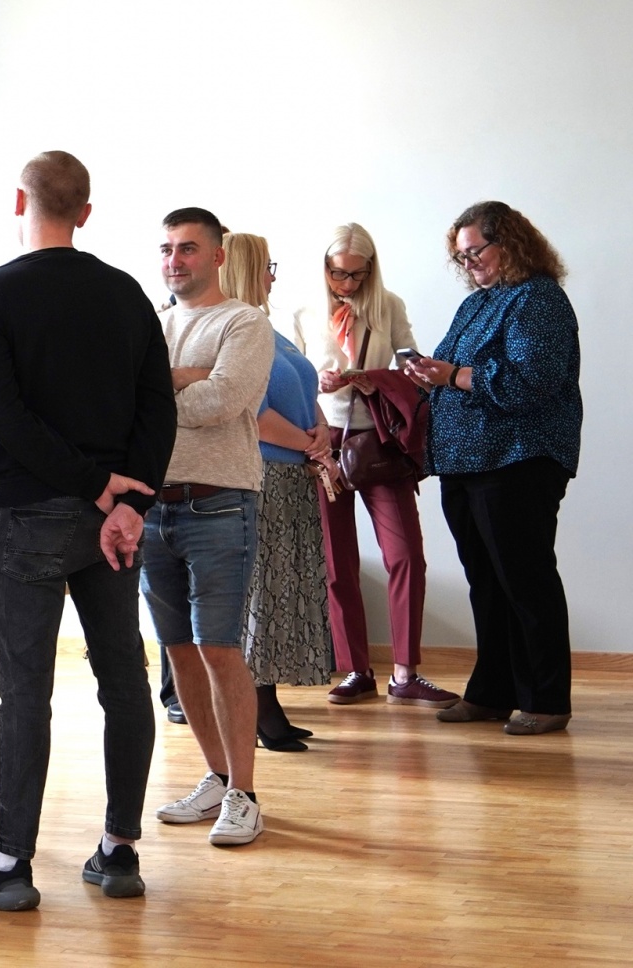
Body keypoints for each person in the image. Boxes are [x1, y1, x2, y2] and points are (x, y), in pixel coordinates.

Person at [0, 151, 175, 910]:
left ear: (19, 201)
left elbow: (5, 420)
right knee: (125, 682)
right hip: (114, 522)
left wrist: (93, 485)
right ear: (86, 212)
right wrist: (128, 502)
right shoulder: (127, 292)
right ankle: (119, 850)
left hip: (37, 513)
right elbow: (158, 409)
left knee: (24, 694)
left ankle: (11, 864)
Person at [406, 201, 581, 736]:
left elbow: (532, 381)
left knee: (526, 581)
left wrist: (453, 376)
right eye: (461, 257)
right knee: (486, 582)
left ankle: (546, 699)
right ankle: (492, 692)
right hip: (464, 462)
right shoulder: (477, 304)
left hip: (517, 460)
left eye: (475, 251)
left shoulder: (538, 298)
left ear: (510, 242)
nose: (469, 264)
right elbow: (448, 369)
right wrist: (421, 374)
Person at [144, 207, 274, 848]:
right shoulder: (152, 324)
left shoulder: (243, 323)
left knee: (219, 647)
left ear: (217, 255)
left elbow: (223, 401)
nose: (175, 260)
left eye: (188, 248)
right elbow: (125, 404)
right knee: (179, 651)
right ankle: (217, 778)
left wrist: (161, 387)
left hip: (219, 504)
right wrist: (185, 379)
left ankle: (245, 795)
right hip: (151, 508)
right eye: (167, 248)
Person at [297, 223, 457, 708]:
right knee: (337, 560)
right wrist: (319, 383)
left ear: (371, 270)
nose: (346, 283)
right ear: (324, 268)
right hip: (323, 441)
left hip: (378, 443)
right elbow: (292, 380)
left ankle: (405, 672)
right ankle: (356, 670)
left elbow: (414, 369)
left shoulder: (389, 306)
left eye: (357, 274)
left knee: (405, 554)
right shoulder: (304, 312)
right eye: (337, 273)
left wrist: (373, 379)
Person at [217, 233, 335, 751]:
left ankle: (268, 703)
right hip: (264, 475)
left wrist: (321, 430)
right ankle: (259, 708)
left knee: (283, 589)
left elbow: (305, 393)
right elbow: (255, 414)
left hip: (291, 477)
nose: (273, 274)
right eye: (267, 265)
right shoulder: (237, 330)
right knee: (262, 592)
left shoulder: (269, 328)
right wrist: (311, 445)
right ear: (246, 269)